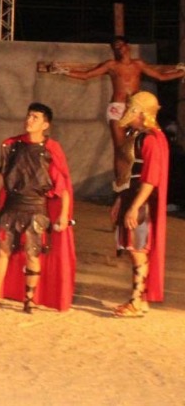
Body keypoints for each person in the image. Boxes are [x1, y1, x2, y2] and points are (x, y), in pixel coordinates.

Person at [52, 36, 184, 189]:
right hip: (118, 107)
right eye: (116, 46)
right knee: (120, 147)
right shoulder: (111, 65)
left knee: (139, 144)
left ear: (128, 47)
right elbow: (87, 75)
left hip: (134, 109)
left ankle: (139, 180)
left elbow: (160, 76)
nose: (119, 48)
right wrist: (64, 71)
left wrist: (180, 73)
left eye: (121, 45)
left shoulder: (138, 64)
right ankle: (121, 183)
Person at [0, 102, 73, 313]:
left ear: (45, 124)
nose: (29, 120)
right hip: (12, 205)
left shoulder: (51, 150)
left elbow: (63, 185)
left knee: (33, 253)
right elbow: (2, 173)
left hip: (36, 208)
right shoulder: (11, 145)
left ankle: (29, 299)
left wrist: (63, 213)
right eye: (28, 116)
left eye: (35, 117)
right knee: (2, 251)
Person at [109, 91, 169, 317]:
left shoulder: (152, 139)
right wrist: (120, 199)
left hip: (140, 200)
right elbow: (128, 171)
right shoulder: (137, 134)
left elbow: (151, 179)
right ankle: (139, 299)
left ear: (141, 112)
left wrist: (135, 206)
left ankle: (136, 301)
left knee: (137, 251)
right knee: (132, 250)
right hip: (129, 194)